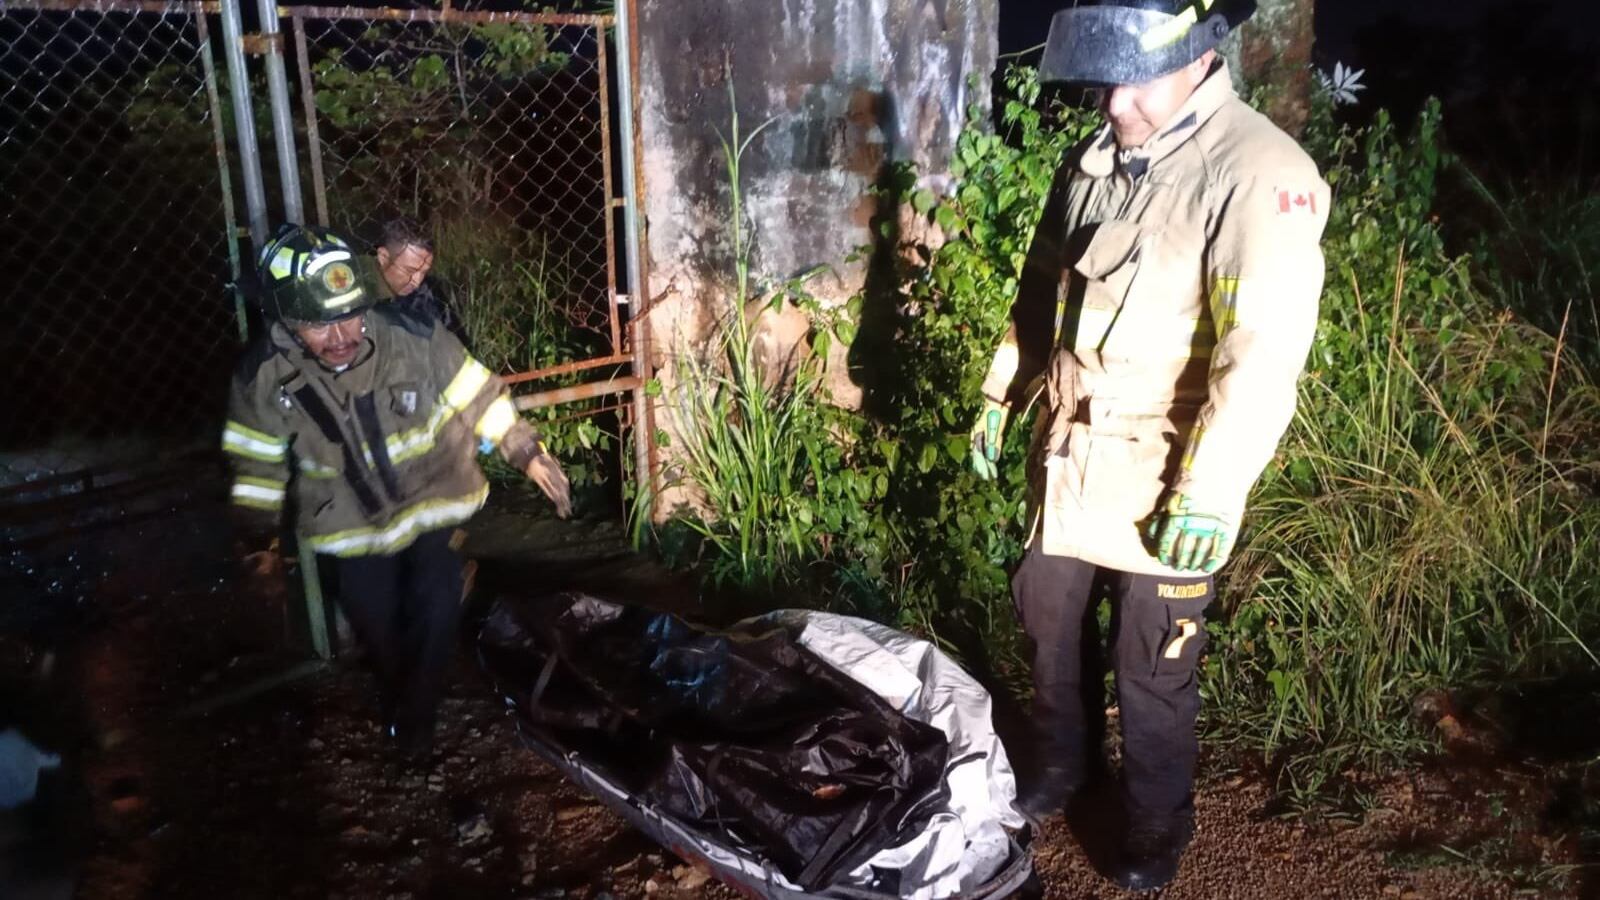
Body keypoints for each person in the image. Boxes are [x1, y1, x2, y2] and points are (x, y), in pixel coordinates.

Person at [969, 0, 1329, 890]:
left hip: (1171, 468)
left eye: (1134, 80)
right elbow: (1040, 291)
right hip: (1072, 452)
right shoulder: (1095, 160)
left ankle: (1155, 824)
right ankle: (1062, 766)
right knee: (1047, 619)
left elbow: (1262, 353)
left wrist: (1211, 490)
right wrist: (1000, 393)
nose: (1113, 103)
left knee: (1154, 658)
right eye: (1104, 79)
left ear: (1201, 57)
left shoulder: (1258, 172)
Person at [223, 224, 572, 758]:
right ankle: (402, 694)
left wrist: (527, 450)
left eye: (349, 315)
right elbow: (256, 462)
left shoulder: (413, 338)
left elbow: (478, 394)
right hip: (350, 529)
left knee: (435, 604)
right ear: (288, 321)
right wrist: (257, 539)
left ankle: (416, 722)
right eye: (320, 325)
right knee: (377, 624)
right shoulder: (264, 379)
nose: (341, 336)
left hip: (432, 503)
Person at [374, 217, 469, 346]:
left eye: (424, 272)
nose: (417, 281)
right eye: (410, 270)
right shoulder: (354, 293)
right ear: (383, 257)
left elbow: (458, 345)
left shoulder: (428, 292)